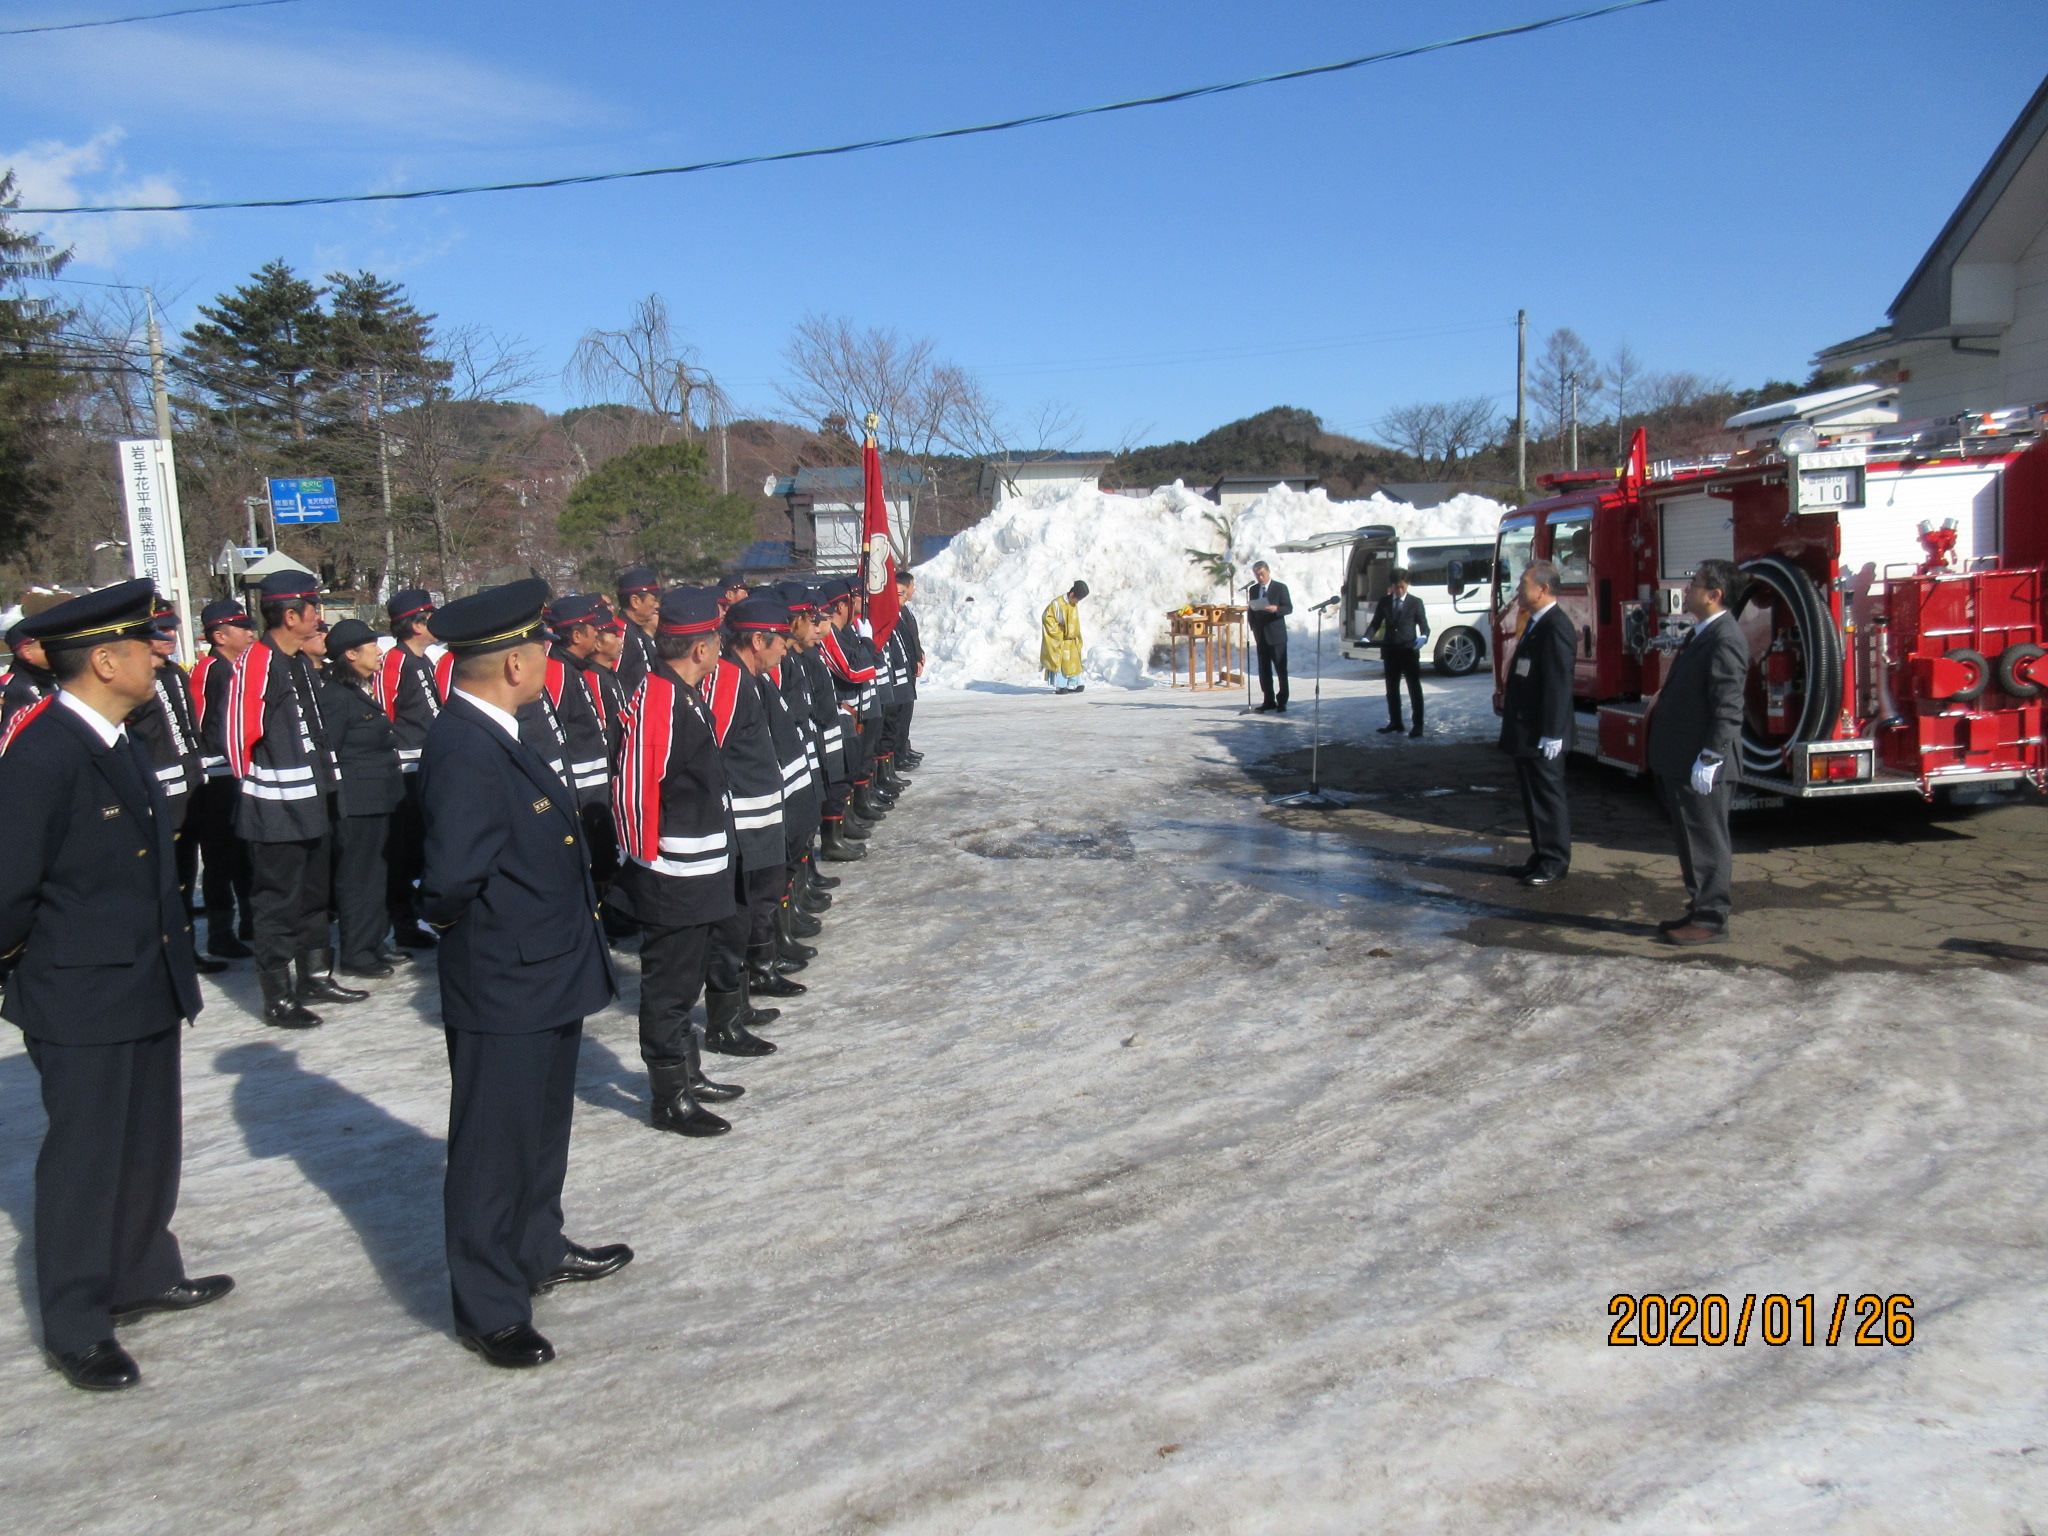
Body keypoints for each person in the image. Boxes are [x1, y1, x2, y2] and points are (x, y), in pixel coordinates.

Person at [0, 579, 229, 1393]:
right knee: (86, 1159)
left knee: (146, 1143)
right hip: (80, 991)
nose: (158, 657)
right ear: (104, 661)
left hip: (143, 977)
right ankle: (77, 1322)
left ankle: (139, 1271)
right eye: (143, 646)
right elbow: (8, 890)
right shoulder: (42, 752)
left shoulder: (115, 739)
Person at [418, 578, 630, 1369]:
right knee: (492, 1149)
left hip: (544, 970)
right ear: (513, 664)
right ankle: (490, 1306)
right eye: (539, 647)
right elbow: (449, 881)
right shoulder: (466, 748)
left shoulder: (500, 730)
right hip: (504, 978)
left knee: (539, 1134)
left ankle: (537, 1247)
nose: (548, 658)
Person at [609, 585, 746, 1134]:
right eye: (716, 639)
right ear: (700, 648)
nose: (720, 648)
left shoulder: (683, 692)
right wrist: (647, 864)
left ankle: (689, 1074)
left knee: (687, 982)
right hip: (674, 876)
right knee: (669, 990)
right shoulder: (660, 697)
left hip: (702, 867)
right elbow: (636, 786)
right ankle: (669, 1098)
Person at [226, 571, 364, 1028]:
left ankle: (315, 975)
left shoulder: (301, 661)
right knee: (277, 902)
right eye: (312, 609)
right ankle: (278, 996)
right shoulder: (258, 660)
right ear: (290, 616)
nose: (319, 617)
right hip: (278, 806)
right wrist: (257, 788)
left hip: (314, 797)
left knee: (314, 895)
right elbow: (238, 733)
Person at [708, 596, 803, 1019]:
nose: (785, 647)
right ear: (757, 640)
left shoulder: (749, 679)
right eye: (779, 639)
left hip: (761, 817)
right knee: (739, 914)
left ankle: (760, 970)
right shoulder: (729, 679)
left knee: (761, 900)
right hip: (743, 823)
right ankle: (731, 1007)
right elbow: (711, 751)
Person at [1647, 559, 1750, 945]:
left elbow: (1728, 707)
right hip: (1683, 758)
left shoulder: (1725, 638)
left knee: (1707, 843)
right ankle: (1699, 908)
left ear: (1714, 595)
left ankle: (1711, 920)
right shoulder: (1702, 632)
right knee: (1692, 841)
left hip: (1704, 760)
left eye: (1695, 585)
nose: (1687, 590)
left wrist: (1711, 757)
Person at [320, 619, 406, 978]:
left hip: (379, 798)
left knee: (377, 874)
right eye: (372, 647)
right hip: (356, 802)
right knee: (358, 877)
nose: (380, 652)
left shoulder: (360, 689)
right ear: (351, 654)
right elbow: (330, 752)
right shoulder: (336, 696)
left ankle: (374, 941)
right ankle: (356, 951)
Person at [1499, 560, 1577, 888]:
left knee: (1547, 797)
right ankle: (1541, 854)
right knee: (1533, 797)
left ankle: (1555, 861)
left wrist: (1553, 732)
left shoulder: (1556, 625)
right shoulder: (1536, 622)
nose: (1518, 589)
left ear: (1543, 589)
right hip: (1527, 727)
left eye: (1524, 584)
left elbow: (1558, 682)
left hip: (1542, 731)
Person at [374, 589, 443, 951]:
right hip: (405, 769)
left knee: (426, 845)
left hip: (428, 765)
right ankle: (403, 922)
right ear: (416, 625)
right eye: (429, 617)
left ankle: (423, 913)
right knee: (405, 849)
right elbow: (383, 710)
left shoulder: (425, 660)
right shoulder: (396, 660)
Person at [189, 598, 256, 959]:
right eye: (241, 628)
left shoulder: (238, 667)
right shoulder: (210, 669)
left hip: (238, 771)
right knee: (219, 858)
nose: (250, 634)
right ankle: (220, 931)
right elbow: (198, 722)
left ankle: (250, 920)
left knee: (244, 851)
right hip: (215, 775)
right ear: (219, 635)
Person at [1366, 568, 1431, 737]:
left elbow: (1424, 626)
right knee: (1392, 689)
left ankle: (1418, 725)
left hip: (1408, 651)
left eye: (1402, 587)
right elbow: (1375, 623)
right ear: (1392, 586)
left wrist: (1423, 637)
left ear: (1408, 585)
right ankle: (1396, 722)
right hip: (1391, 651)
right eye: (1397, 587)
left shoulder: (1415, 602)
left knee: (1414, 688)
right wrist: (1367, 637)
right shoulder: (1385, 602)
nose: (1400, 590)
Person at [1245, 561, 1293, 713]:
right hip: (1261, 635)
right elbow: (1251, 610)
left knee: (1280, 669)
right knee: (1264, 670)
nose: (1260, 578)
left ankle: (1282, 701)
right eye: (1257, 575)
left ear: (1268, 572)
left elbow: (1288, 608)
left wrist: (1276, 609)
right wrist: (1253, 627)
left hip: (1276, 635)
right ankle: (1268, 700)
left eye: (1262, 574)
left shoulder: (1279, 588)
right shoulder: (1253, 589)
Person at [890, 569, 925, 769]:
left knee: (906, 714)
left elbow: (912, 637)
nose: (910, 592)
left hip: (909, 667)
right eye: (902, 591)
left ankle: (904, 748)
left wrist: (919, 654)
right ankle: (898, 754)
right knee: (898, 717)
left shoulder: (905, 612)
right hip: (899, 673)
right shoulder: (895, 614)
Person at [614, 566, 662, 695]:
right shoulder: (618, 635)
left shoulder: (640, 632)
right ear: (635, 601)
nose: (656, 605)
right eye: (653, 599)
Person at [1, 619, 55, 732]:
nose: (54, 648)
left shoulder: (56, 679)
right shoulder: (10, 688)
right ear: (27, 652)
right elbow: (8, 736)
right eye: (46, 644)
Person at [1041, 580, 1088, 694]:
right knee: (1062, 663)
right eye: (1077, 599)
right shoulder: (1057, 604)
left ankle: (1073, 684)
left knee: (1074, 662)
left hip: (1072, 639)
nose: (1077, 602)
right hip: (1061, 639)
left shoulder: (1073, 604)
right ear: (1072, 595)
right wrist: (1059, 631)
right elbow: (1047, 618)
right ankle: (1061, 686)